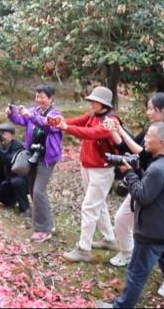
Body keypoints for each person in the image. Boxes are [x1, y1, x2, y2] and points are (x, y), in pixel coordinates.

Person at [96, 122, 164, 309]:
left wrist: (129, 173)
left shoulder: (157, 169)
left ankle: (121, 306)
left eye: (149, 136)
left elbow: (142, 196)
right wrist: (137, 171)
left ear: (161, 142)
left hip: (151, 235)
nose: (145, 139)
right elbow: (154, 189)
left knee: (136, 274)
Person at [107, 92, 164, 298]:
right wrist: (116, 131)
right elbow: (127, 148)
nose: (148, 112)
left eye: (152, 108)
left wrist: (129, 173)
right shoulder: (150, 131)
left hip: (156, 195)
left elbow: (141, 154)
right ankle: (126, 252)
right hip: (143, 184)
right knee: (122, 219)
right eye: (147, 107)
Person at [54, 86, 119, 262]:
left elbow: (91, 134)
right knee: (99, 204)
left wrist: (66, 127)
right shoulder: (93, 115)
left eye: (94, 101)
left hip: (102, 170)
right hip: (89, 167)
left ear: (103, 104)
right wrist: (61, 122)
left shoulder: (110, 121)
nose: (90, 103)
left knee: (89, 207)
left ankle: (84, 249)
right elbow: (78, 121)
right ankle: (109, 238)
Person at [7, 83, 63, 242]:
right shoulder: (34, 111)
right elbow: (21, 120)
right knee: (33, 191)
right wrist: (11, 114)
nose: (38, 100)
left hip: (47, 158)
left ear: (51, 99)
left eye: (42, 97)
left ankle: (43, 229)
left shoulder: (56, 114)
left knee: (39, 191)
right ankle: (47, 223)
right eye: (37, 96)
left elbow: (48, 125)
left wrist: (31, 116)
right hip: (33, 155)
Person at [0, 123, 30, 217]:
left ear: (11, 135)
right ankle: (10, 201)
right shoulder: (1, 146)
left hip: (23, 182)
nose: (0, 135)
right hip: (7, 182)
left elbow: (10, 160)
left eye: (3, 133)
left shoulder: (18, 146)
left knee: (16, 181)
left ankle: (25, 208)